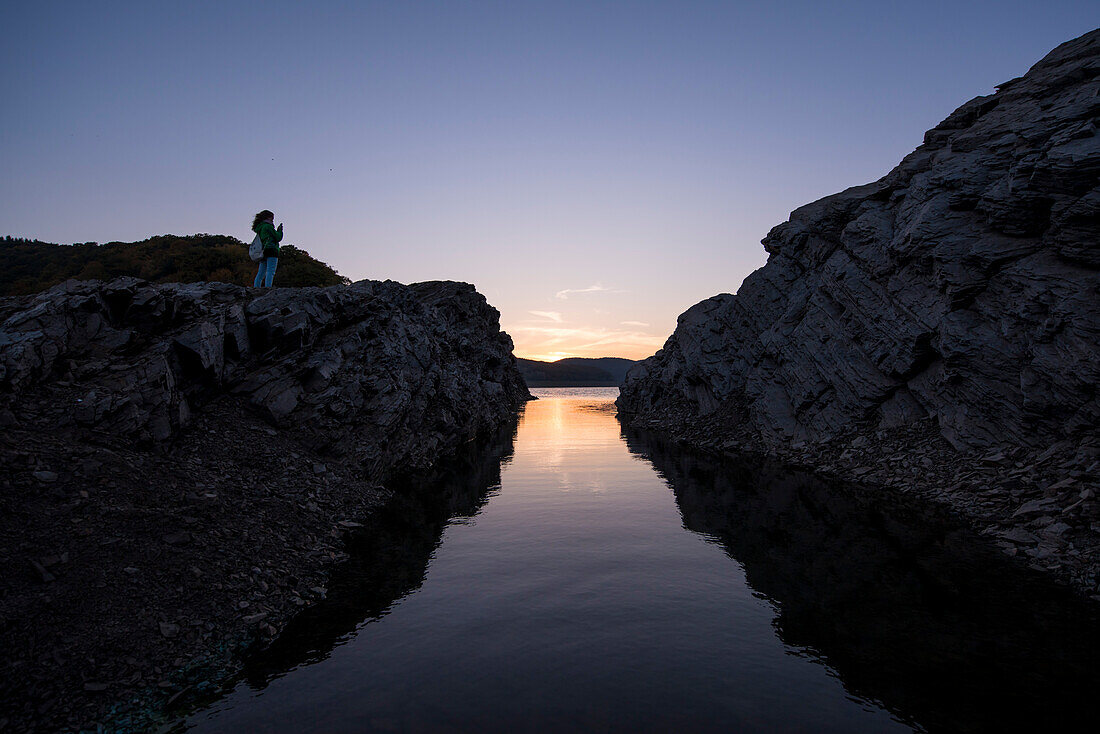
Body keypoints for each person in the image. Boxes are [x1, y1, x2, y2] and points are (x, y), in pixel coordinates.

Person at [251, 209, 283, 287]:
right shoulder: (268, 226)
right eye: (272, 218)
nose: (273, 220)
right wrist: (280, 231)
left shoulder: (260, 228)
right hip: (272, 249)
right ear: (268, 217)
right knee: (270, 271)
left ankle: (256, 287)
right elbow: (278, 237)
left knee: (261, 272)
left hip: (263, 251)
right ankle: (268, 287)